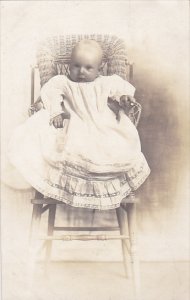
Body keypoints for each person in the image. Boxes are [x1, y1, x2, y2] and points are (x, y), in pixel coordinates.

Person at [9, 39, 150, 210]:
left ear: (99, 69)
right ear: (69, 65)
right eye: (76, 66)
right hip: (73, 126)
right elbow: (51, 94)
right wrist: (56, 112)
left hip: (101, 126)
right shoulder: (63, 82)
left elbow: (120, 92)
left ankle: (102, 178)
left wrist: (124, 98)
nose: (81, 71)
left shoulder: (105, 82)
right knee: (57, 144)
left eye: (88, 67)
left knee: (110, 149)